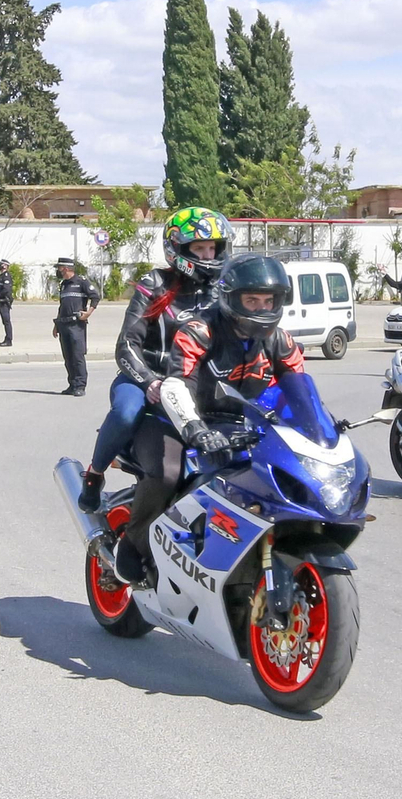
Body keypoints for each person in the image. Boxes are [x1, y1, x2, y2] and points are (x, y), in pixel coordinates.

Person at [113, 254, 305, 585]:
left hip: (241, 426)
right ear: (232, 299)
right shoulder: (200, 330)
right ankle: (134, 542)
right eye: (251, 300)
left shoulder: (281, 341)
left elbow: (300, 391)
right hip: (177, 419)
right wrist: (196, 429)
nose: (260, 308)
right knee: (167, 473)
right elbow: (177, 385)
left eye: (267, 300)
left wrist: (322, 429)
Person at [79, 207, 231, 512]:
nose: (208, 254)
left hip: (191, 383)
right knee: (125, 413)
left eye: (212, 247)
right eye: (199, 248)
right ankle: (94, 475)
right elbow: (126, 345)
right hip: (145, 377)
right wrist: (150, 381)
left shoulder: (220, 293)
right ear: (179, 250)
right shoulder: (155, 283)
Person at [53, 257, 100, 396]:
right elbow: (62, 305)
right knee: (68, 357)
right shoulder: (64, 285)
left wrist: (88, 313)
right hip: (64, 324)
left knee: (77, 356)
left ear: (66, 268)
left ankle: (80, 386)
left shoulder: (81, 282)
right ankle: (72, 384)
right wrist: (56, 324)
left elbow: (95, 297)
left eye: (60, 268)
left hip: (76, 325)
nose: (58, 271)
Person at [0, 259, 14, 346]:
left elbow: (6, 290)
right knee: (5, 322)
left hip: (4, 302)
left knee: (7, 321)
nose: (0, 265)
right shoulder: (1, 276)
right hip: (1, 302)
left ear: (6, 266)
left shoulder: (6, 276)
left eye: (2, 264)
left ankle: (9, 340)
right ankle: (7, 338)